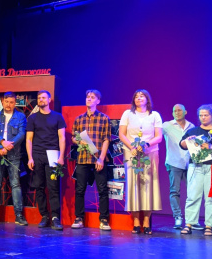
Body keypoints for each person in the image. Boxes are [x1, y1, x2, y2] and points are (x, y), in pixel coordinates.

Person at [180, 105, 212, 237]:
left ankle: (209, 225)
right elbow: (182, 144)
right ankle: (189, 224)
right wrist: (187, 141)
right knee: (193, 196)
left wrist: (211, 146)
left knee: (211, 198)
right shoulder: (193, 131)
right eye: (201, 115)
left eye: (206, 115)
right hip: (196, 166)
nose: (203, 117)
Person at [118, 89, 163, 235]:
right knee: (133, 185)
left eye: (142, 96)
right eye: (136, 96)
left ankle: (146, 221)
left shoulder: (154, 115)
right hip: (131, 152)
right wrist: (132, 147)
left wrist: (146, 145)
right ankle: (136, 221)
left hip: (150, 153)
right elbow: (121, 134)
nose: (139, 98)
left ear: (147, 99)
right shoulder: (127, 114)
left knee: (148, 185)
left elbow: (159, 137)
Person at [0, 91, 28, 226]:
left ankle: (18, 215)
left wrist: (7, 147)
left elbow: (21, 134)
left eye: (11, 102)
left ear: (15, 103)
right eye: (6, 102)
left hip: (14, 155)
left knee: (15, 184)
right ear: (2, 102)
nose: (8, 104)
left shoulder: (21, 116)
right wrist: (2, 142)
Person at [70, 90, 111, 231]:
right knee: (80, 189)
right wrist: (78, 141)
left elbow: (106, 139)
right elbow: (73, 137)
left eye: (92, 97)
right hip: (83, 159)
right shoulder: (79, 119)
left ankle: (104, 219)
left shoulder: (104, 118)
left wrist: (101, 159)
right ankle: (79, 218)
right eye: (87, 97)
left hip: (98, 159)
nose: (89, 99)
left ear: (98, 101)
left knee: (102, 190)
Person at [26, 90, 66, 231]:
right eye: (39, 98)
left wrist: (61, 156)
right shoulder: (32, 118)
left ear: (49, 100)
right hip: (37, 155)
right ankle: (44, 215)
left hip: (53, 154)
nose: (41, 100)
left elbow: (62, 137)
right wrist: (30, 157)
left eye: (43, 97)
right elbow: (29, 139)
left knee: (53, 187)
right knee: (39, 186)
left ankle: (55, 217)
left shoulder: (57, 117)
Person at [162, 104, 195, 229]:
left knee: (192, 192)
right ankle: (178, 217)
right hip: (174, 162)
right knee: (174, 191)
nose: (177, 112)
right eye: (174, 111)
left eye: (179, 110)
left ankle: (191, 219)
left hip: (189, 162)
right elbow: (155, 134)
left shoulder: (191, 126)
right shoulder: (167, 125)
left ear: (185, 112)